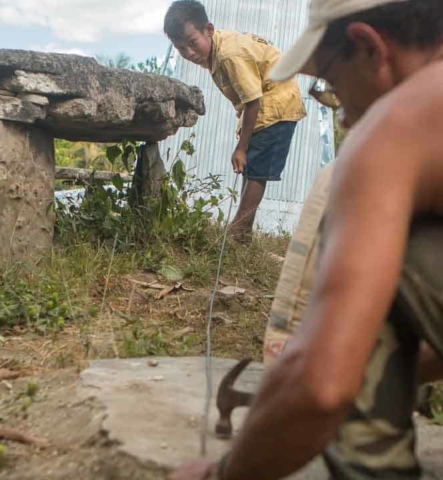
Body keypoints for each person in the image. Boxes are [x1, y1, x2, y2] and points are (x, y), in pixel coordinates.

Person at [168, 0, 443, 479]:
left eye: (330, 85)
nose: (342, 119)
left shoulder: (396, 125)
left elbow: (322, 385)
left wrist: (220, 475)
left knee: (376, 250)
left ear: (367, 46)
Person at [164, 0, 307, 243]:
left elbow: (253, 101)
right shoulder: (216, 52)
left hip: (276, 105)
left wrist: (241, 147)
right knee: (251, 168)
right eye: (180, 49)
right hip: (265, 103)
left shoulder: (230, 55)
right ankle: (244, 233)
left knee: (257, 170)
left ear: (208, 30)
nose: (189, 53)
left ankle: (238, 230)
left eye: (192, 43)